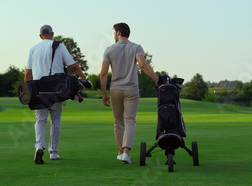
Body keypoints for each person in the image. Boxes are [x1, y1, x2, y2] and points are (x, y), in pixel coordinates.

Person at [25, 24, 87, 165]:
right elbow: (73, 66)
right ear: (52, 34)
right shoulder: (58, 46)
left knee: (40, 120)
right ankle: (53, 152)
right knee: (55, 121)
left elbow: (28, 73)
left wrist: (28, 93)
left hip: (39, 91)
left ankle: (39, 146)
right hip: (56, 90)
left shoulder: (33, 49)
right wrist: (83, 78)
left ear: (40, 36)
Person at [100, 22, 161, 164]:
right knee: (130, 120)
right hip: (131, 89)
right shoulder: (136, 47)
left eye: (114, 32)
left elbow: (103, 74)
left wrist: (104, 93)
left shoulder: (109, 50)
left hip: (115, 89)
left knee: (118, 121)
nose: (114, 35)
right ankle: (126, 152)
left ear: (119, 33)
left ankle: (121, 152)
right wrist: (158, 80)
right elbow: (143, 65)